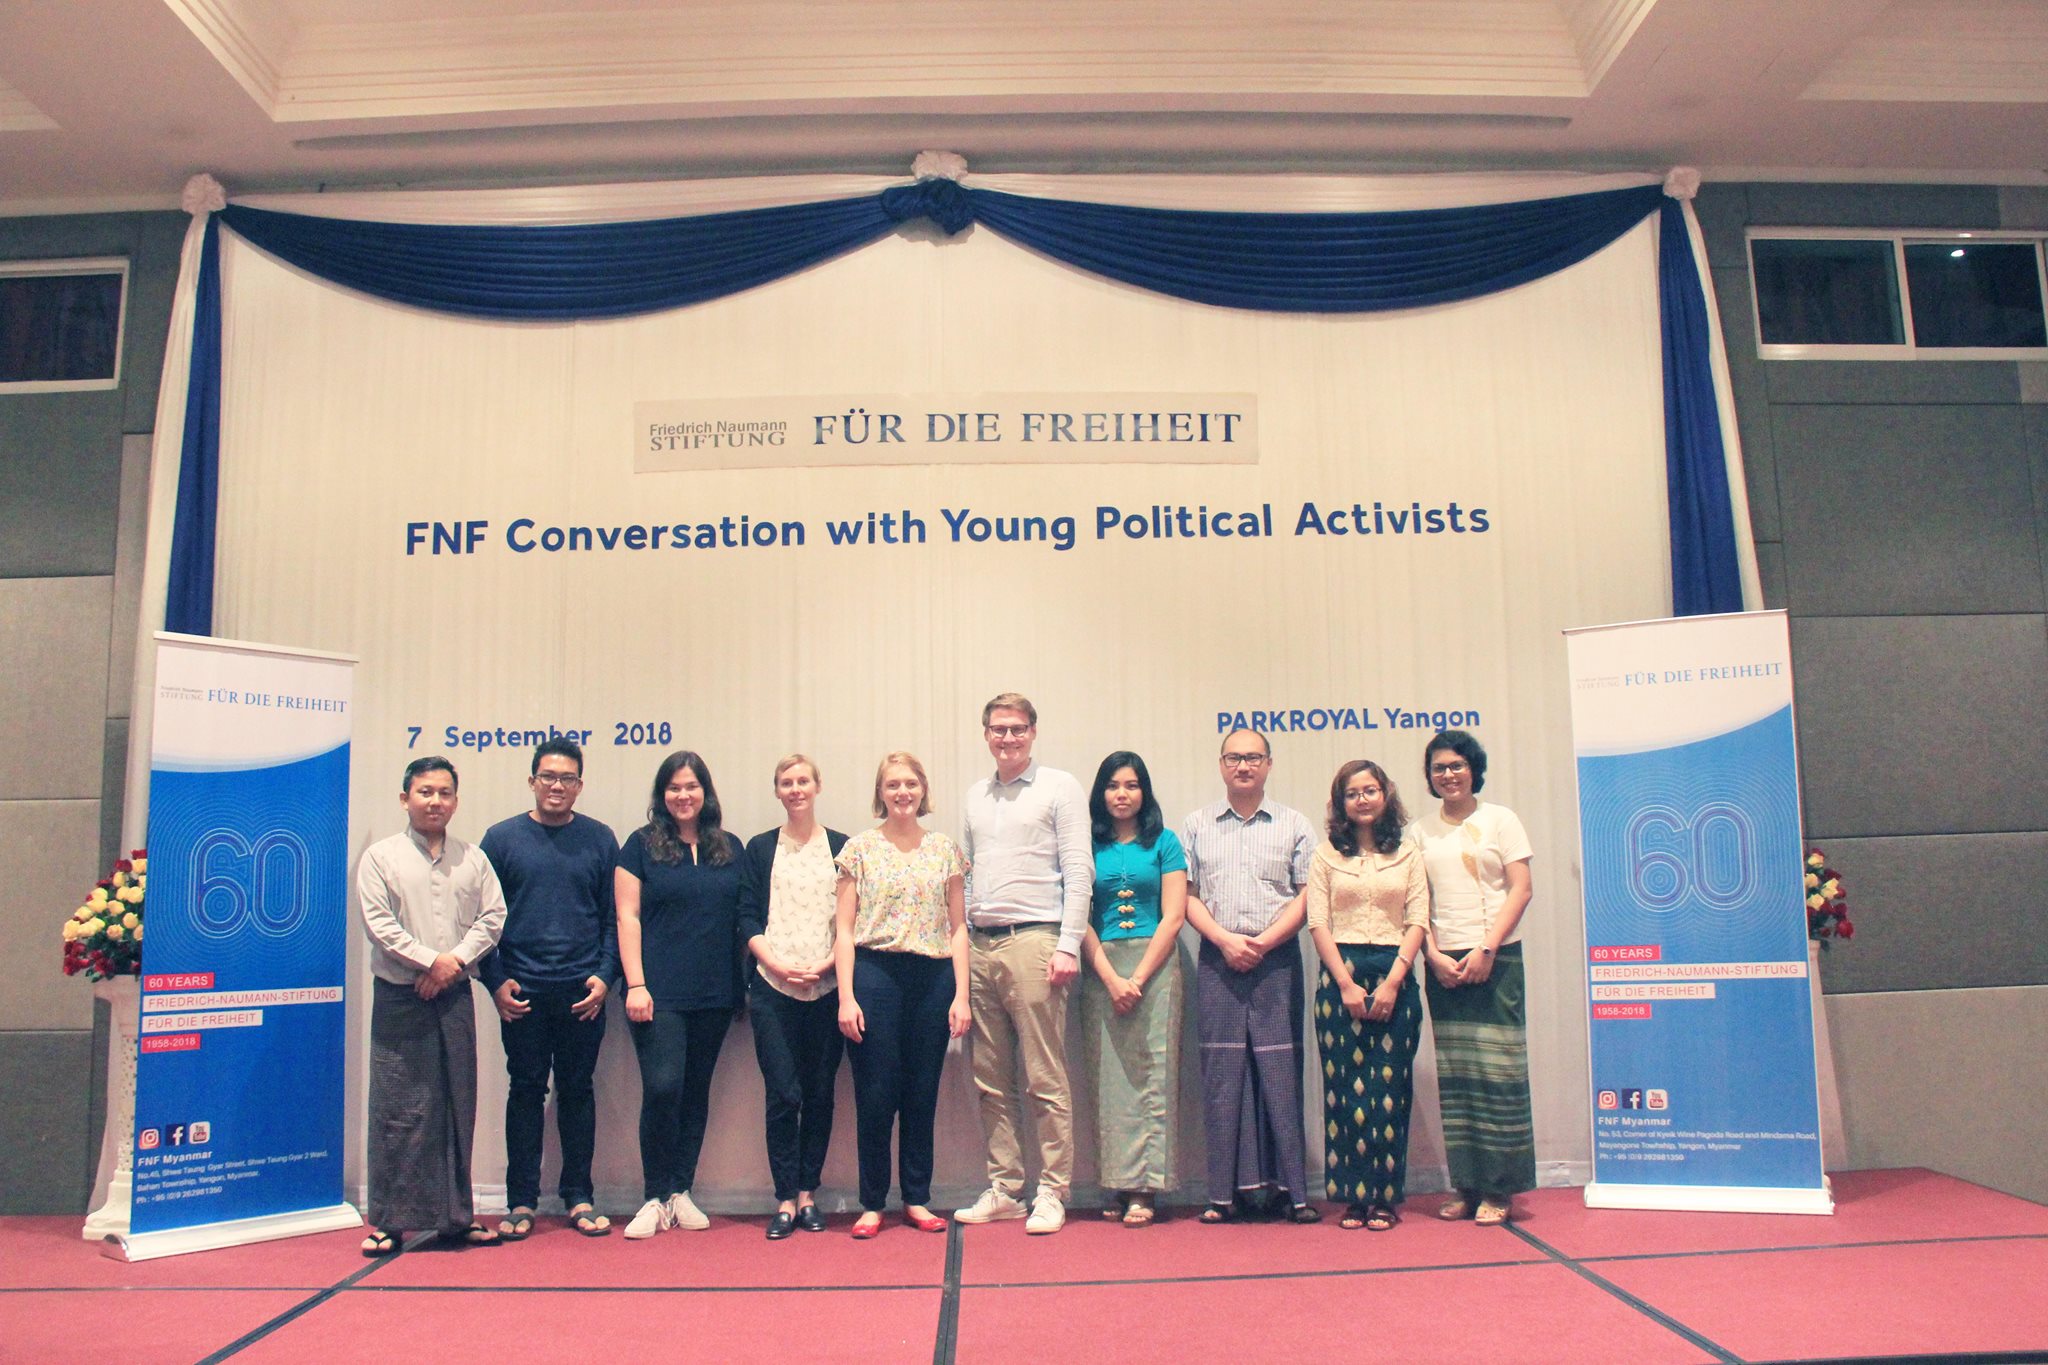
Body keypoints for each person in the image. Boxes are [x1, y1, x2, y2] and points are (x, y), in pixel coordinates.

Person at [954, 692, 1093, 1236]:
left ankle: (1053, 1191)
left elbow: (1078, 870)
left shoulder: (1060, 787)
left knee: (1044, 1077)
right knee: (990, 1079)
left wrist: (1068, 944)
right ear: (985, 734)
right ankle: (1005, 1188)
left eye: (1016, 729)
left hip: (1037, 941)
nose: (1007, 738)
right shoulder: (974, 797)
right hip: (982, 944)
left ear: (1033, 731)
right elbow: (963, 877)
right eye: (997, 729)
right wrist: (962, 943)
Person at [356, 756, 507, 1255]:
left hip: (454, 994)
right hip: (401, 996)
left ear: (456, 801)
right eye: (425, 792)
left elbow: (492, 917)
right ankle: (388, 1222)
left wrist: (452, 964)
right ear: (405, 798)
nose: (435, 801)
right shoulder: (381, 858)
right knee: (399, 1109)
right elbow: (380, 924)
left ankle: (455, 1218)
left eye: (444, 792)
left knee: (455, 1104)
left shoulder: (473, 858)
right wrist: (429, 962)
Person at [479, 737, 620, 1240]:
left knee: (578, 1092)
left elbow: (614, 919)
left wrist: (606, 977)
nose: (556, 786)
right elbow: (480, 922)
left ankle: (579, 1196)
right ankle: (521, 1201)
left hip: (584, 993)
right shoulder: (500, 839)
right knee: (525, 1092)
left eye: (567, 779)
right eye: (548, 777)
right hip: (522, 995)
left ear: (579, 786)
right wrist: (495, 982)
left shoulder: (601, 840)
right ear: (532, 780)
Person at [1181, 728, 1320, 1224]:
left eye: (1253, 758)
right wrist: (1224, 940)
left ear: (1268, 764)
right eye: (1235, 758)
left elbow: (1307, 897)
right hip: (1219, 961)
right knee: (1223, 1078)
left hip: (1277, 959)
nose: (1244, 766)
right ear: (1221, 765)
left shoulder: (1296, 825)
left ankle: (1292, 1193)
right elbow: (1186, 897)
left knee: (1279, 1075)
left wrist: (1263, 942)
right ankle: (1224, 1195)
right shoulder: (1196, 826)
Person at [834, 752, 972, 1238]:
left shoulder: (945, 851)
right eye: (893, 784)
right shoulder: (858, 850)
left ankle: (916, 1197)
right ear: (881, 793)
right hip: (875, 976)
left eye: (910, 783)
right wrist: (846, 997)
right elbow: (844, 930)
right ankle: (872, 1203)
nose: (902, 792)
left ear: (923, 790)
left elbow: (958, 928)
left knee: (921, 1094)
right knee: (875, 1095)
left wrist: (962, 995)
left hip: (933, 980)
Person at [616, 750, 746, 1239]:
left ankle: (680, 1192)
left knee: (695, 1094)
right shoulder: (640, 846)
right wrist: (636, 983)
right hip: (657, 993)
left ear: (705, 793)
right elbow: (626, 917)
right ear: (662, 795)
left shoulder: (728, 847)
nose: (683, 795)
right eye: (674, 788)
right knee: (663, 1088)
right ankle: (653, 1194)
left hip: (715, 991)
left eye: (691, 787)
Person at [1415, 729, 1536, 1227]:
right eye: (1439, 768)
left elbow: (1521, 888)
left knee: (1498, 1074)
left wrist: (1487, 947)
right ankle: (1465, 1185)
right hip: (1443, 964)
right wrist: (1433, 954)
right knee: (1458, 1076)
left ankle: (1499, 1189)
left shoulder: (1500, 820)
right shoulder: (1419, 831)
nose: (1449, 775)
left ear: (1474, 769)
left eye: (1457, 766)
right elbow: (1415, 902)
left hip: (1496, 959)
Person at [1306, 759, 1427, 1232]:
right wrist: (1346, 984)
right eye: (1352, 792)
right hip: (1342, 976)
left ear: (1385, 795)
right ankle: (1353, 1198)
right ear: (1341, 802)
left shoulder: (1408, 853)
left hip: (1395, 971)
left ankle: (1385, 1197)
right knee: (1345, 1092)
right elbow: (1319, 923)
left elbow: (1417, 918)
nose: (1363, 799)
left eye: (1371, 790)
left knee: (1389, 1092)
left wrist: (1395, 980)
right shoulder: (1325, 856)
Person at [738, 754, 849, 1239]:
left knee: (820, 1094)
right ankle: (783, 1198)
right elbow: (746, 918)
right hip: (772, 989)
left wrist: (827, 965)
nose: (796, 789)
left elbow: (853, 921)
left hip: (827, 990)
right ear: (777, 791)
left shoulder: (844, 847)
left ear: (818, 786)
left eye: (804, 780)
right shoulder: (760, 849)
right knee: (784, 1095)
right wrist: (776, 964)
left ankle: (808, 1195)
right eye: (787, 782)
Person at [1077, 751, 1187, 1228]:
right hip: (1101, 966)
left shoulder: (1165, 842)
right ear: (1101, 794)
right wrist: (1109, 976)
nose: (1122, 795)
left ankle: (1145, 1187)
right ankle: (1114, 1182)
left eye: (1131, 785)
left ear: (1145, 792)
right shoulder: (1083, 846)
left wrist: (1137, 979)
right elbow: (1077, 916)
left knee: (1153, 1074)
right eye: (1112, 786)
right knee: (1108, 1079)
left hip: (1155, 968)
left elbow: (1176, 916)